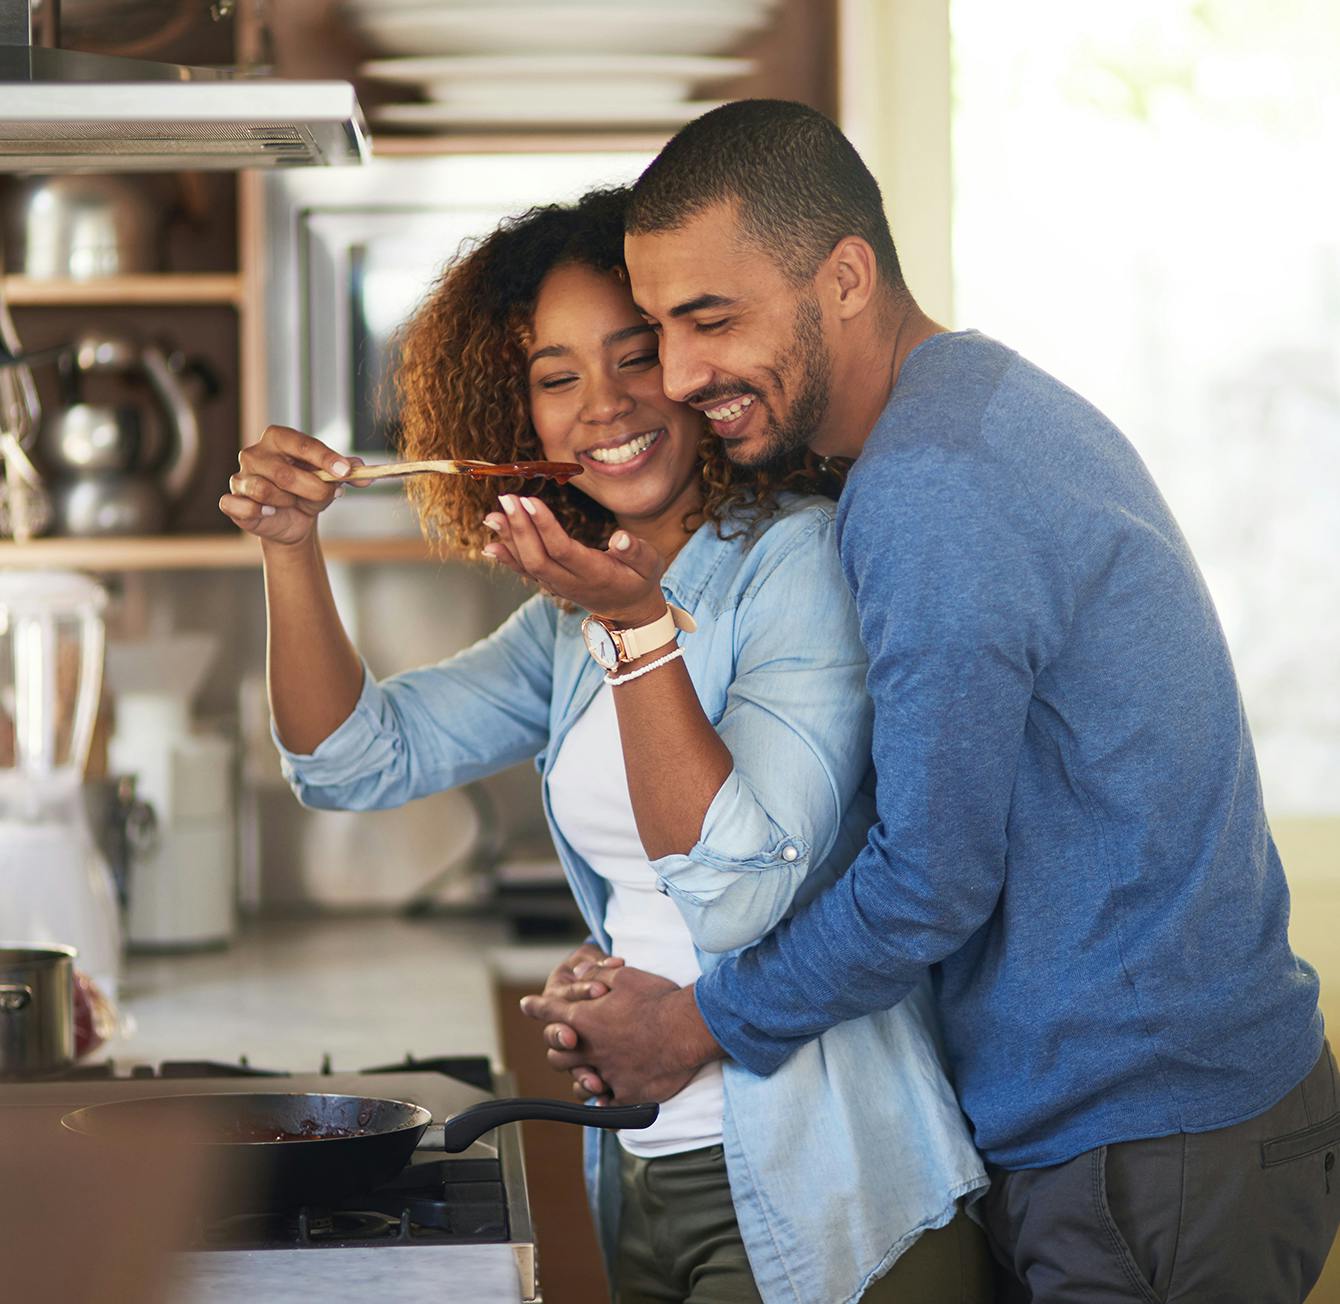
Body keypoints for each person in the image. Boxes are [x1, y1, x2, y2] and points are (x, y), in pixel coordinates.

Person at [518, 103, 1340, 1304]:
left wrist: (695, 1021)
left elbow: (927, 881)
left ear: (843, 278)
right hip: (1148, 1121)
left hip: (1139, 1148)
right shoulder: (967, 407)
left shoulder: (927, 492)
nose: (682, 375)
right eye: (660, 329)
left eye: (711, 319)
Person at [218, 187, 991, 1304]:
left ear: (695, 364)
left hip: (830, 1186)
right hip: (641, 1169)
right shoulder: (573, 616)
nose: (603, 405)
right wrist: (290, 547)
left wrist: (637, 632)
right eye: (555, 376)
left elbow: (731, 890)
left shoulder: (794, 562)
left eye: (636, 356)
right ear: (514, 414)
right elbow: (352, 759)